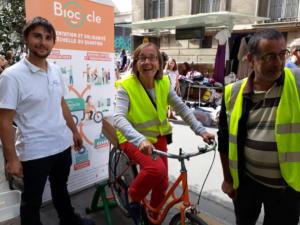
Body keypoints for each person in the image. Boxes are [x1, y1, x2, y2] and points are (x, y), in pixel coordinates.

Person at [0, 17, 95, 225]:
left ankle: (68, 219)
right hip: (35, 153)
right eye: (37, 36)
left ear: (53, 42)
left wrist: (75, 132)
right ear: (26, 38)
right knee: (32, 202)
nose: (43, 42)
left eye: (48, 37)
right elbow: (4, 121)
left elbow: (61, 104)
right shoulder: (12, 76)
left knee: (61, 189)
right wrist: (12, 159)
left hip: (61, 146)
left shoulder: (54, 70)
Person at [113, 42, 215, 224]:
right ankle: (132, 196)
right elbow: (118, 117)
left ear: (159, 63)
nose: (147, 62)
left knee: (162, 183)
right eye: (142, 58)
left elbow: (182, 108)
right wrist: (140, 140)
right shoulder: (126, 86)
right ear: (135, 62)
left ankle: (153, 215)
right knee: (155, 169)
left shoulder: (164, 83)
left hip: (157, 138)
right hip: (133, 139)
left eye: (152, 58)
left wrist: (201, 131)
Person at [218, 29, 300, 225]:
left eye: (282, 54)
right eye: (270, 56)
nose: (279, 62)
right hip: (246, 185)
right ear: (250, 59)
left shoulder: (297, 82)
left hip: (286, 188)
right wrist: (228, 180)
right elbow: (224, 139)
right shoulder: (233, 92)